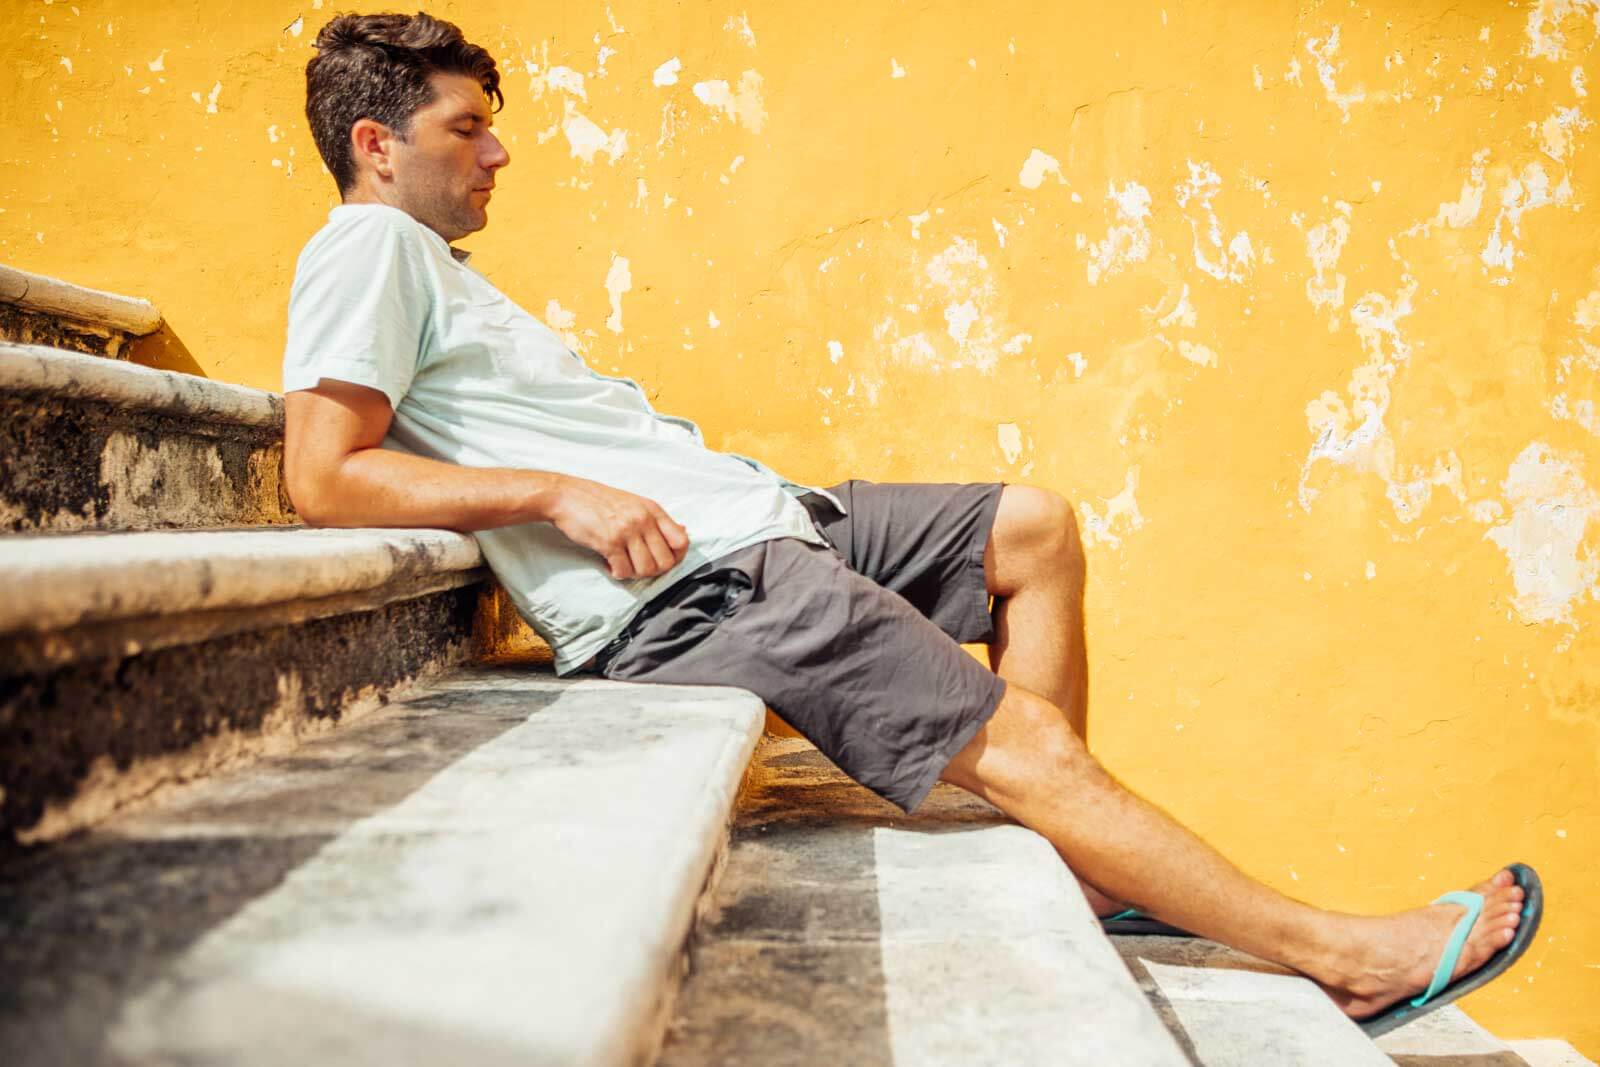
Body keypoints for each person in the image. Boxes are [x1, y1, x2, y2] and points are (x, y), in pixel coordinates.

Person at [281, 11, 1538, 1035]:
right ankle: (1343, 955)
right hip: (701, 591)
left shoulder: (434, 265)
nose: (497, 154)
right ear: (379, 143)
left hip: (765, 524)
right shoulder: (367, 247)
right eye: (469, 129)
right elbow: (325, 474)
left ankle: (1081, 865)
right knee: (1025, 740)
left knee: (1033, 528)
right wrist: (556, 493)